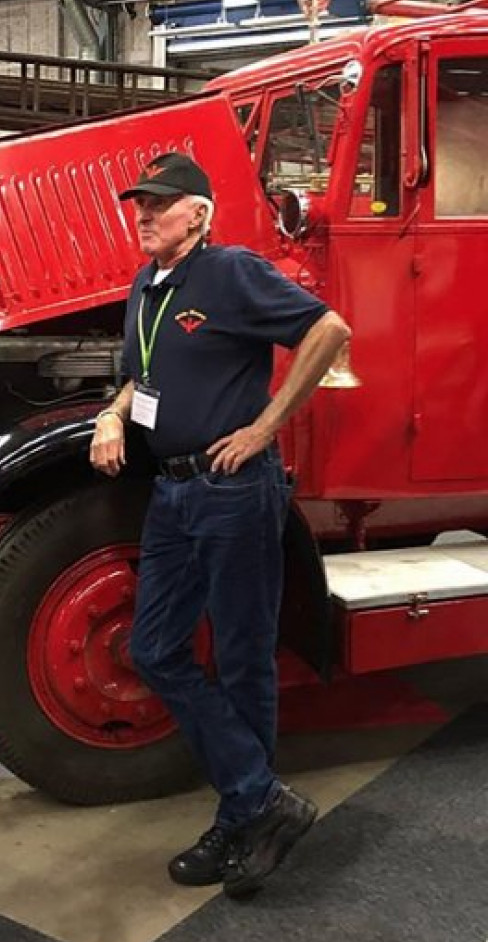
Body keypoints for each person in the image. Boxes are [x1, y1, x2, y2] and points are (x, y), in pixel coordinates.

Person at [90, 152, 350, 897]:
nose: (144, 215)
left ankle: (243, 819)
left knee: (241, 659)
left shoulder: (231, 271)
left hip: (234, 489)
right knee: (155, 648)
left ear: (198, 214)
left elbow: (329, 330)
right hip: (173, 495)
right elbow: (145, 370)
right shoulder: (147, 284)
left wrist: (267, 426)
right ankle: (259, 799)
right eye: (139, 204)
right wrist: (113, 410)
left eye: (160, 205)